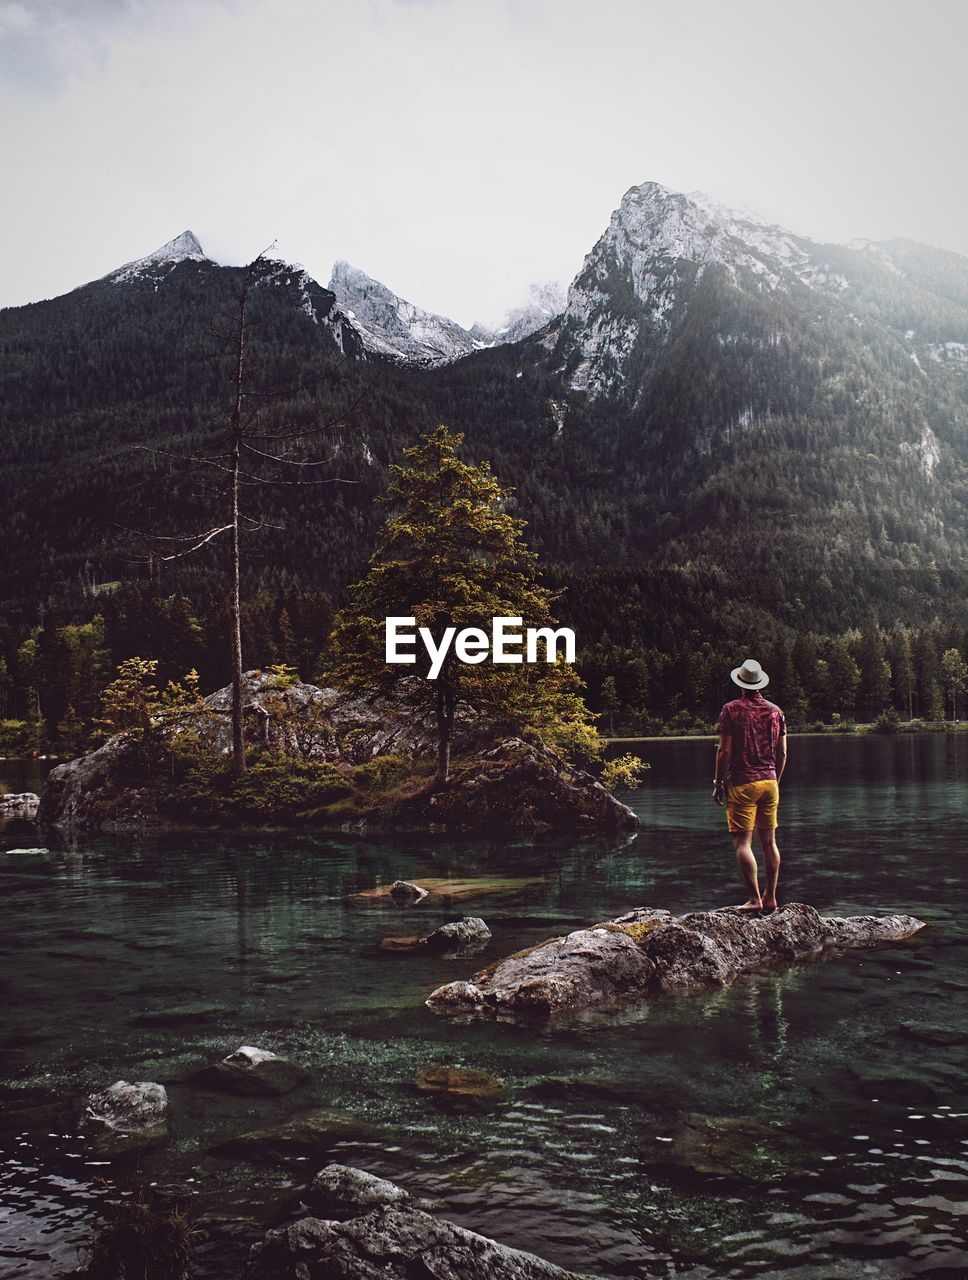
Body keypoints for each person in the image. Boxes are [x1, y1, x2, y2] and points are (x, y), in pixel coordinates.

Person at [712, 658, 786, 911]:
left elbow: (723, 752)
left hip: (743, 783)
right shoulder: (776, 711)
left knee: (743, 844)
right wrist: (776, 779)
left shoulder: (731, 710)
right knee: (769, 843)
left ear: (741, 684)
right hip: (770, 781)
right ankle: (771, 898)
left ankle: (754, 899)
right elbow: (783, 753)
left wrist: (718, 783)